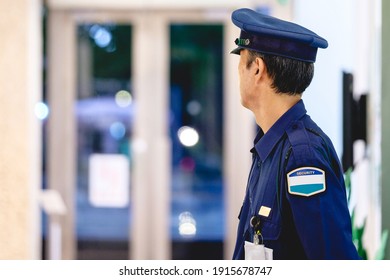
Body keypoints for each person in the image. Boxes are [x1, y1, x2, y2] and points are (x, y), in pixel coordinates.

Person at [230, 8, 361, 259]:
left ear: (257, 69)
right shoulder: (269, 148)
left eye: (240, 64)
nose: (239, 74)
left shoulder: (303, 157)